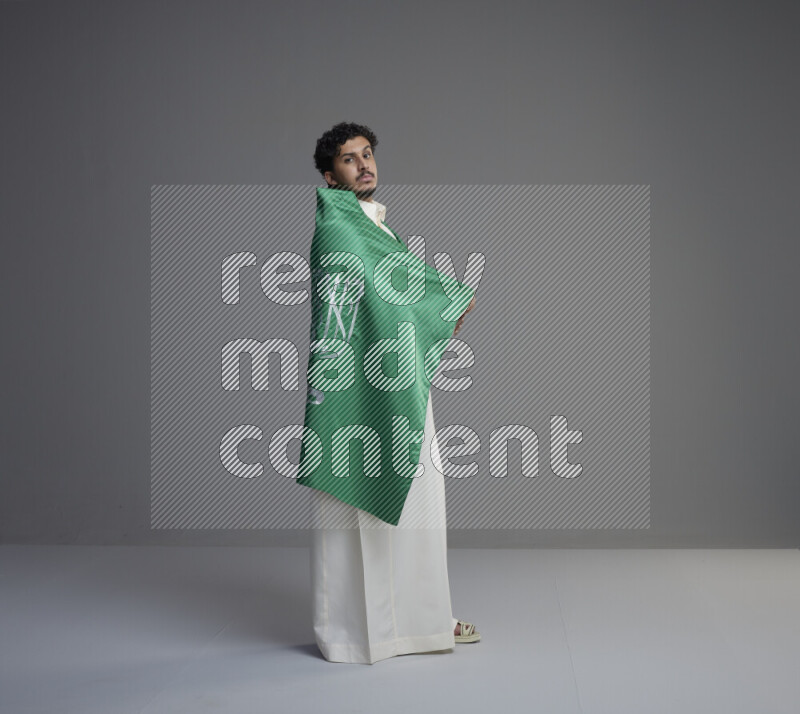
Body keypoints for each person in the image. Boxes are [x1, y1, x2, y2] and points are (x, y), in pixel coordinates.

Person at [305, 122, 478, 664]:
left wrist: (441, 305)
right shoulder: (339, 229)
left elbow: (395, 291)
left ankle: (422, 622)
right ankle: (355, 633)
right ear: (329, 175)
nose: (364, 165)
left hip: (396, 383)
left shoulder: (376, 228)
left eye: (368, 154)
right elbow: (379, 293)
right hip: (355, 393)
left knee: (419, 501)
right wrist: (448, 300)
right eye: (349, 159)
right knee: (349, 512)